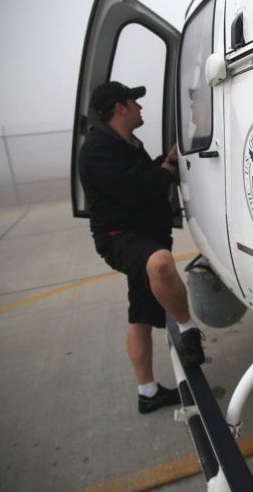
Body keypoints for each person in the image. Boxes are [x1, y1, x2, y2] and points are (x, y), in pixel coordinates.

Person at [79, 81, 205, 414]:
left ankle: (147, 393)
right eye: (134, 102)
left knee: (140, 315)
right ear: (120, 108)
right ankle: (188, 329)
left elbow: (138, 175)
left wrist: (164, 162)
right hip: (121, 237)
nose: (140, 107)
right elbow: (135, 190)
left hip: (142, 235)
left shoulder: (123, 143)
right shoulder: (98, 148)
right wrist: (165, 170)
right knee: (161, 263)